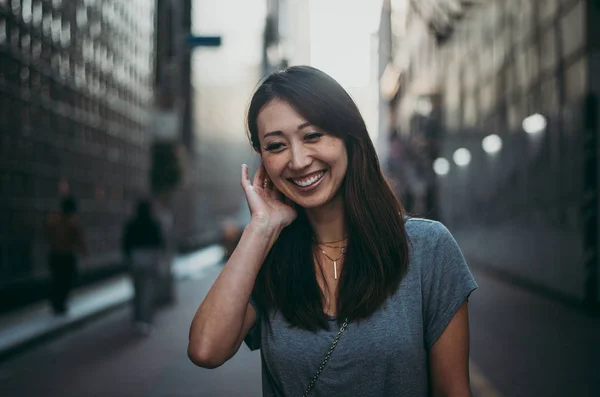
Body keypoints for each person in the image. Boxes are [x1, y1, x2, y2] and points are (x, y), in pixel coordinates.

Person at [188, 66, 477, 396]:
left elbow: (453, 391)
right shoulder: (267, 257)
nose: (297, 160)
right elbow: (206, 350)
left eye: (312, 136)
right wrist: (261, 227)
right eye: (276, 146)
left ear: (349, 139)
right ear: (262, 161)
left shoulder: (428, 248)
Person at [122, 199, 164, 335]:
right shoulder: (154, 223)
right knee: (148, 291)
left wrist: (128, 258)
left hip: (135, 258)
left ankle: (138, 318)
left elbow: (126, 243)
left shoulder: (132, 224)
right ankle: (146, 320)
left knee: (137, 290)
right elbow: (160, 242)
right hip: (150, 258)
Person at [46, 195, 87, 315]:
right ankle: (60, 303)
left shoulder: (52, 220)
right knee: (66, 280)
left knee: (57, 279)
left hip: (55, 255)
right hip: (66, 256)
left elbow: (47, 235)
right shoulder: (72, 222)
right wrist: (85, 252)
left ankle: (56, 303)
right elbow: (80, 239)